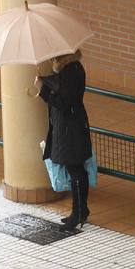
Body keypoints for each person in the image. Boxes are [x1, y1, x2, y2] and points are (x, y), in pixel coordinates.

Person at [39, 51, 93, 233]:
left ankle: (78, 213)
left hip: (70, 129)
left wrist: (43, 90)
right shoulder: (73, 68)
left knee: (75, 170)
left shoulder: (69, 71)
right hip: (72, 126)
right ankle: (81, 210)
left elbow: (63, 102)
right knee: (76, 169)